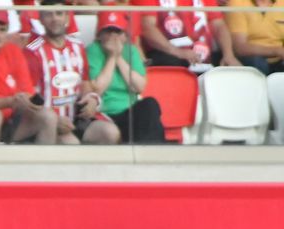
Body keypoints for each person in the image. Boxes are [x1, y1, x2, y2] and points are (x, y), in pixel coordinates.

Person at [24, 0, 120, 144]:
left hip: (76, 119)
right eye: (49, 14)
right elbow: (28, 97)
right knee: (71, 143)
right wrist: (53, 120)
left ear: (68, 18)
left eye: (59, 13)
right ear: (41, 19)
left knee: (110, 133)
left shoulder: (77, 46)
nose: (55, 18)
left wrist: (92, 100)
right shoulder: (33, 51)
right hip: (50, 123)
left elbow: (85, 83)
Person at [0, 9, 58, 144]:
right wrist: (9, 101)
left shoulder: (13, 50)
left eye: (2, 30)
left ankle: (42, 164)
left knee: (49, 116)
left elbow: (27, 92)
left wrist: (30, 103)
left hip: (13, 117)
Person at [88, 10, 165, 143]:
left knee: (150, 104)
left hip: (130, 111)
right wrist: (111, 57)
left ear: (124, 35)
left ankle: (151, 152)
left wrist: (118, 58)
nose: (113, 37)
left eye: (117, 32)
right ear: (99, 35)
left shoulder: (131, 50)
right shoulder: (92, 50)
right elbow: (97, 89)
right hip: (105, 113)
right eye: (108, 31)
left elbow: (139, 87)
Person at [135, 0, 240, 72]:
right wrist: (178, 52)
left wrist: (228, 54)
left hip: (203, 54)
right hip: (167, 54)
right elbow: (147, 28)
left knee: (234, 69)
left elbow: (218, 25)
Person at [225, 0, 284, 74]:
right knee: (257, 62)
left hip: (279, 58)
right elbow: (240, 48)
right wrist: (277, 51)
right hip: (251, 57)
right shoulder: (237, 3)